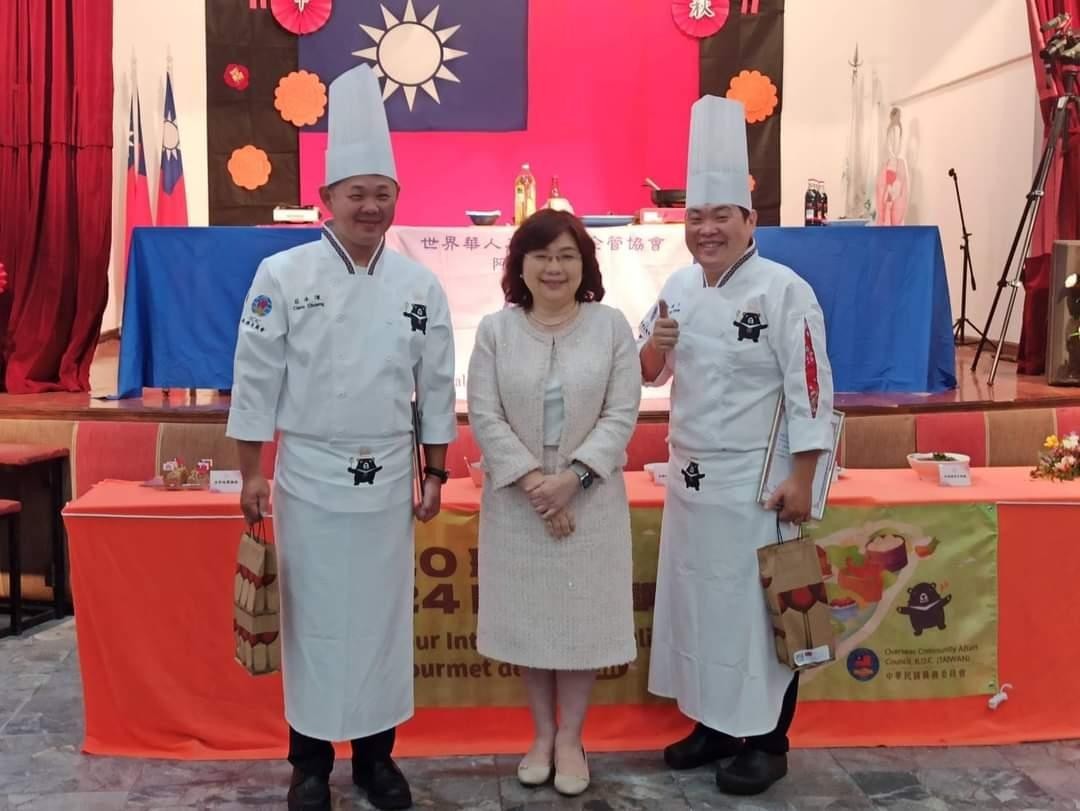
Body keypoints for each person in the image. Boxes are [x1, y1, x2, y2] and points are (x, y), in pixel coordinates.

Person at [225, 65, 456, 811]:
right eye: (357, 192)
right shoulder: (282, 274)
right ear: (327, 197)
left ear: (397, 198)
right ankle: (310, 764)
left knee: (382, 623)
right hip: (308, 477)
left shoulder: (420, 286)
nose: (370, 206)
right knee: (315, 623)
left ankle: (377, 761)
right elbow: (254, 378)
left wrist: (434, 471)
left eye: (382, 192)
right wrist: (250, 471)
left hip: (388, 477)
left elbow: (436, 386)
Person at [639, 96, 835, 796]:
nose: (707, 229)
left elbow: (811, 388)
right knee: (699, 606)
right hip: (691, 482)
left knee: (762, 613)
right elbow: (647, 371)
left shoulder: (785, 291)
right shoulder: (677, 286)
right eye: (696, 215)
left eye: (721, 214)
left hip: (760, 484)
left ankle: (770, 742)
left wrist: (804, 476)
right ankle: (714, 726)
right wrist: (654, 346)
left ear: (750, 220)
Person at [466, 209, 641, 797]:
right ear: (520, 265)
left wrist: (573, 480)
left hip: (591, 498)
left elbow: (621, 411)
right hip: (518, 500)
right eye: (541, 255)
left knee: (580, 623)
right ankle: (541, 735)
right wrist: (535, 484)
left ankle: (571, 738)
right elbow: (484, 414)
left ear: (584, 265)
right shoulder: (496, 330)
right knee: (532, 623)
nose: (554, 267)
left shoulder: (610, 327)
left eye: (567, 255)